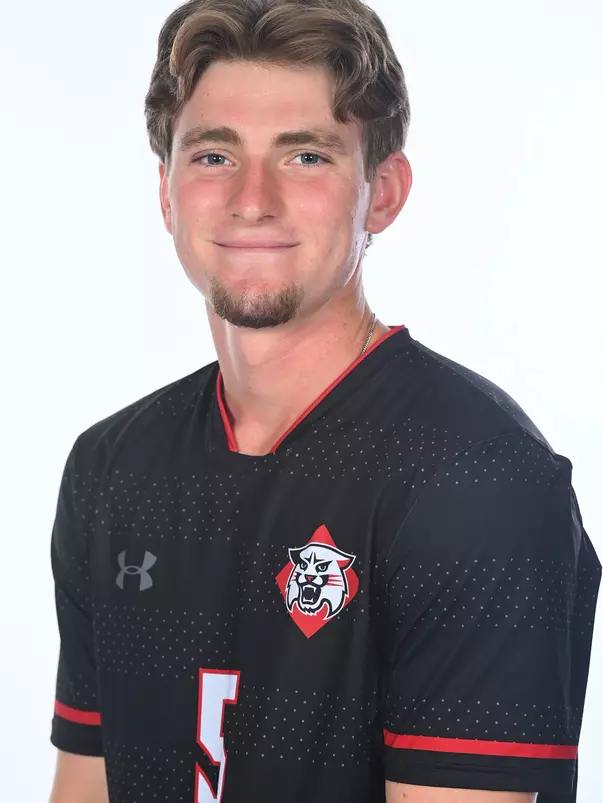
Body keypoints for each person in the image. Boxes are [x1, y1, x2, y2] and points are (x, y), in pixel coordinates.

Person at [48, 1, 600, 801]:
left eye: (305, 156)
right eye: (213, 156)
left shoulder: (477, 478)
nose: (252, 199)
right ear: (166, 193)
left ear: (383, 193)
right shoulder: (111, 467)